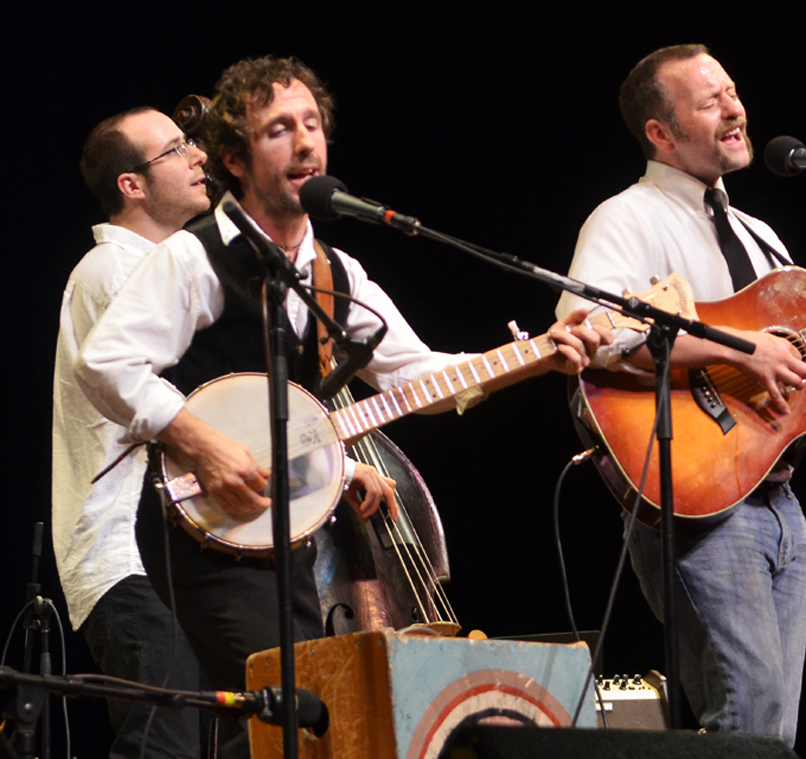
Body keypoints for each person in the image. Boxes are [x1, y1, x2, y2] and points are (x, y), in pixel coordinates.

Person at [75, 56, 606, 758]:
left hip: (285, 531)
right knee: (298, 707)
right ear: (232, 157)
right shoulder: (192, 260)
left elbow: (419, 374)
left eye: (312, 125)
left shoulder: (334, 272)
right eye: (277, 130)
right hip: (197, 529)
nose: (304, 143)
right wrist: (201, 440)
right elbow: (105, 363)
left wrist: (537, 354)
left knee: (278, 722)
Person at [556, 44, 806, 747]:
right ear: (661, 131)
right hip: (697, 500)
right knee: (747, 715)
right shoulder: (626, 218)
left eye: (733, 92)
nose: (735, 108)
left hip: (778, 501)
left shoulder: (761, 237)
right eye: (710, 101)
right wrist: (741, 348)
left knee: (774, 730)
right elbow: (589, 331)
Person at [54, 106, 212, 759]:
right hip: (125, 557)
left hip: (174, 552)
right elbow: (193, 414)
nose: (199, 156)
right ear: (132, 184)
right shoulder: (113, 272)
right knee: (163, 742)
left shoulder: (168, 272)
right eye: (177, 149)